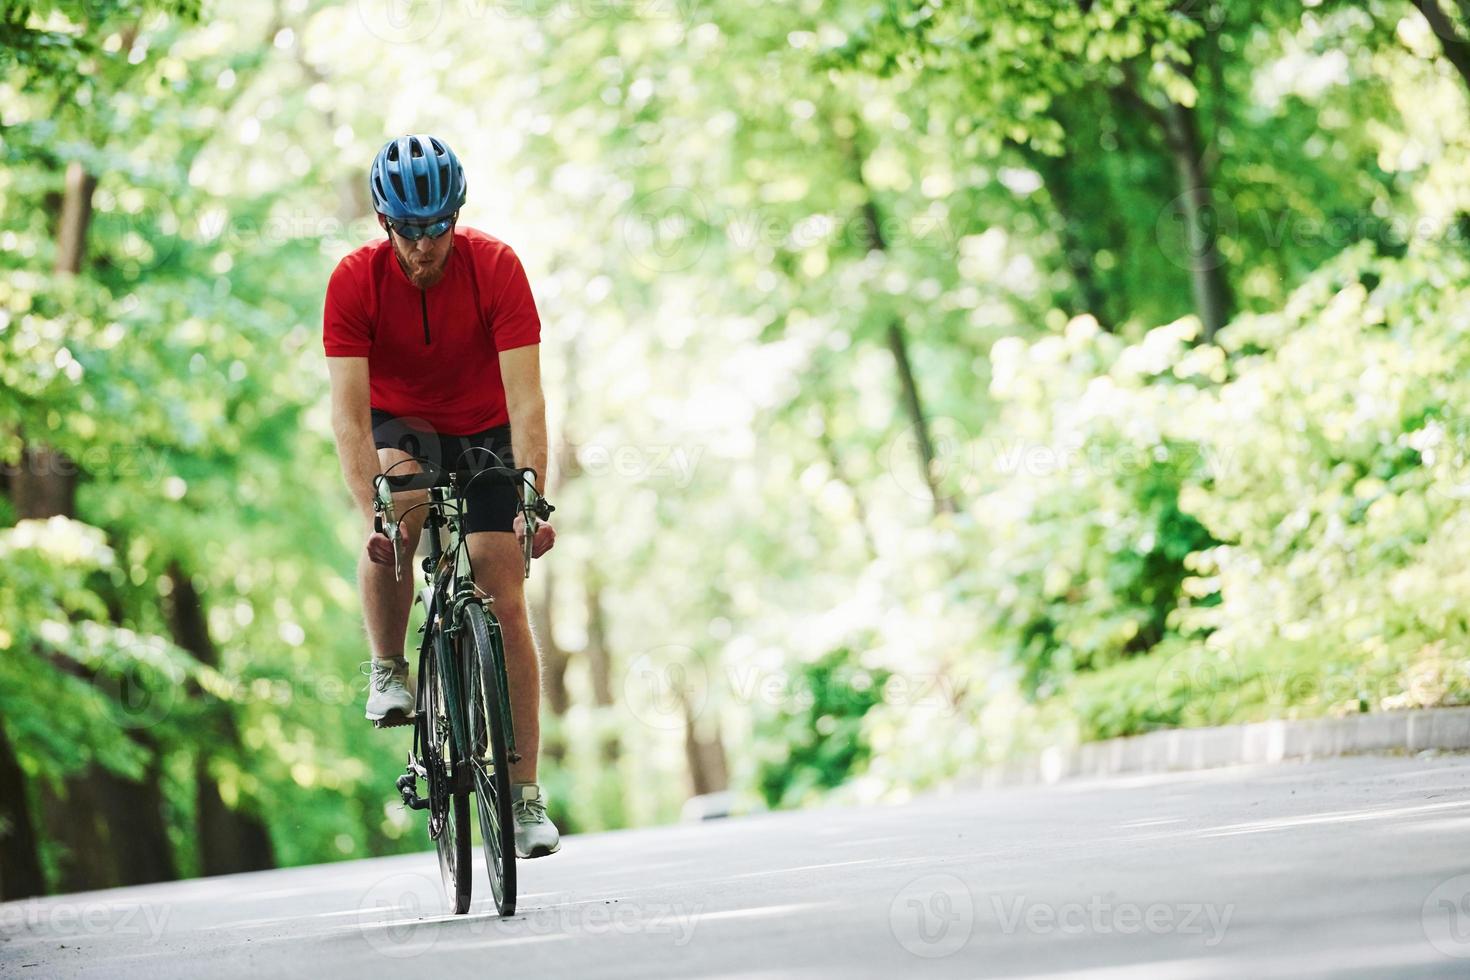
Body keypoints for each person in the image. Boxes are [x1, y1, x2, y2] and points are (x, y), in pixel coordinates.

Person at [321, 134, 560, 858]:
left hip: (485, 425)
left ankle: (522, 798)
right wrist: (375, 507)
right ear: (383, 222)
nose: (423, 248)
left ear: (457, 216)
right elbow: (349, 417)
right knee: (402, 505)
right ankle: (390, 667)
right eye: (407, 231)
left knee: (501, 584)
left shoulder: (496, 268)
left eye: (436, 228)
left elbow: (529, 404)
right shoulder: (354, 281)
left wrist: (533, 499)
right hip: (402, 425)